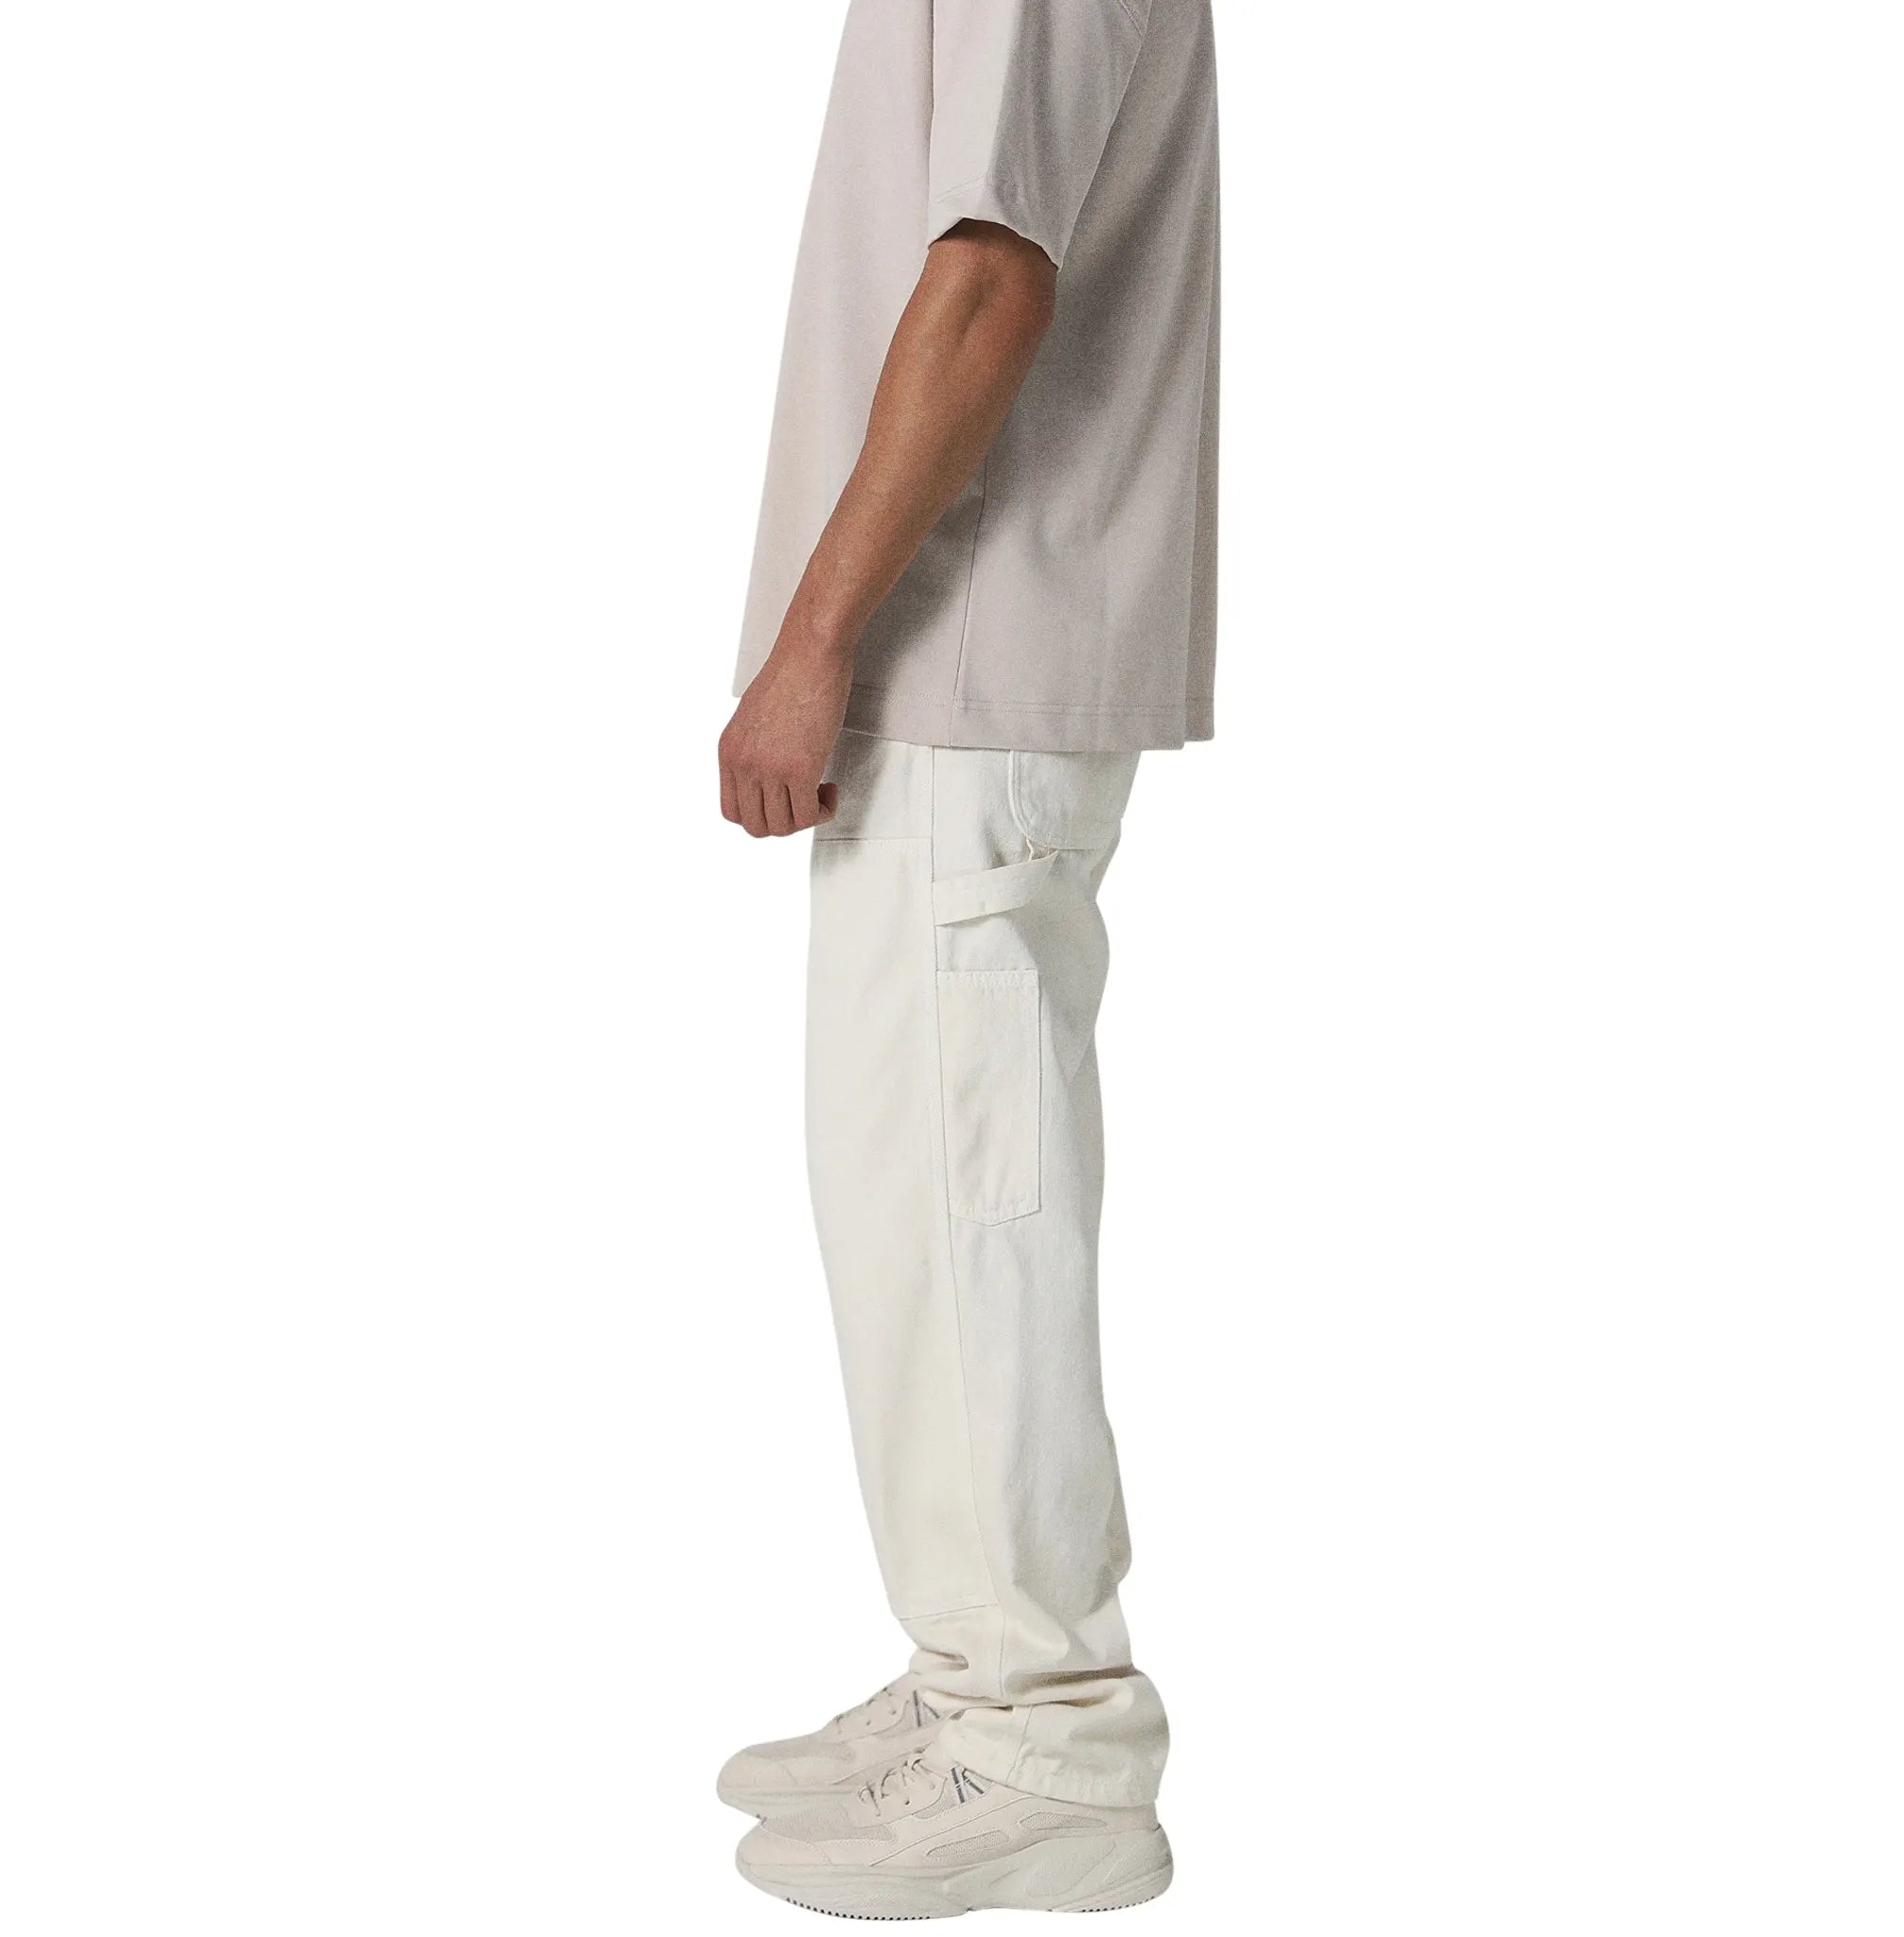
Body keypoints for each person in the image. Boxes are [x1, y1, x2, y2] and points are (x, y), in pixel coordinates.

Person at [713, 0, 1219, 1915]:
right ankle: (973, 1674)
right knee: (918, 1209)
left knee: (967, 1212)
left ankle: (1045, 1738)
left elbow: (992, 278)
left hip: (964, 659)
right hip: (959, 678)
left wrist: (812, 640)